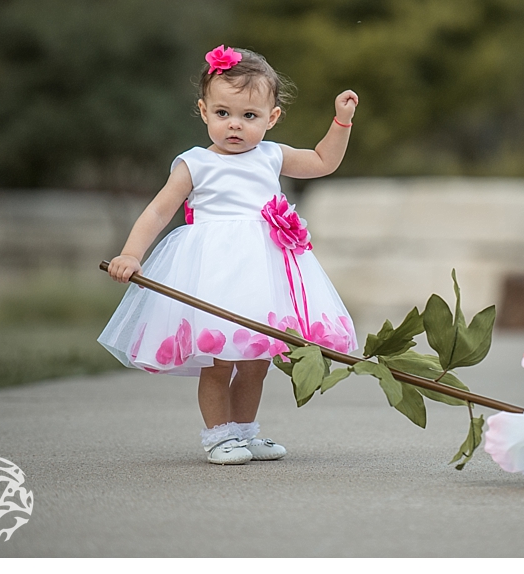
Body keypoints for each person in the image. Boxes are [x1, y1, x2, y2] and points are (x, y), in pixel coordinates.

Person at [99, 46, 358, 465]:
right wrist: (131, 253)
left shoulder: (271, 155)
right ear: (204, 112)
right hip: (215, 274)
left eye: (249, 116)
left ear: (272, 118)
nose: (234, 125)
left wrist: (341, 121)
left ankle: (244, 431)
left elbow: (324, 161)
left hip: (264, 273)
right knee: (219, 359)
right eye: (223, 114)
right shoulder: (195, 163)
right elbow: (159, 210)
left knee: (256, 361)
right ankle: (218, 436)